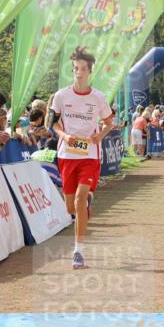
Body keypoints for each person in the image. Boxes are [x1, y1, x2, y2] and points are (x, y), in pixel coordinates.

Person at [48, 46, 114, 270]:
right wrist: (64, 135)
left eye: (83, 69)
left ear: (90, 71)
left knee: (80, 198)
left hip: (90, 155)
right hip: (67, 154)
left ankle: (78, 251)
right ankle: (84, 207)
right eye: (76, 68)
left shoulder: (98, 98)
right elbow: (52, 123)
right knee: (70, 208)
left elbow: (109, 122)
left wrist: (100, 135)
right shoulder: (61, 96)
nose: (79, 73)